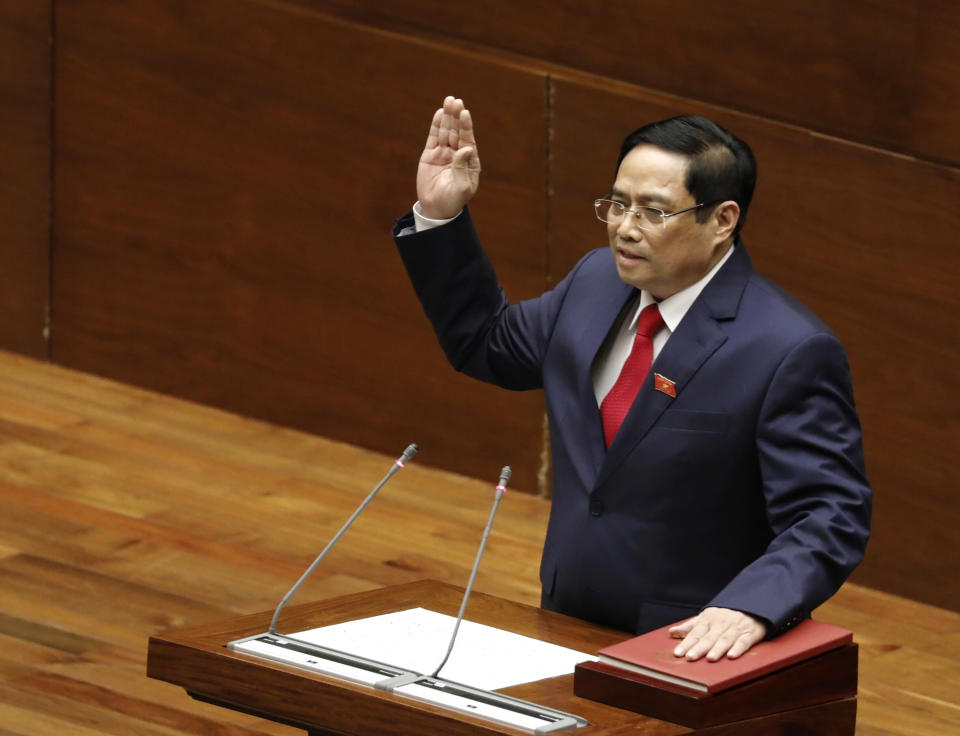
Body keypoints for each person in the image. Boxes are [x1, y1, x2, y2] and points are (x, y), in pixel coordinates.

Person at [393, 96, 871, 662]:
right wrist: (441, 216)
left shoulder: (786, 349)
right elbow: (487, 343)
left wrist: (752, 605)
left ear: (722, 219)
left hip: (692, 645)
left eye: (653, 211)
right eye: (617, 204)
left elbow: (829, 512)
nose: (625, 228)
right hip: (562, 617)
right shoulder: (595, 281)